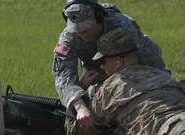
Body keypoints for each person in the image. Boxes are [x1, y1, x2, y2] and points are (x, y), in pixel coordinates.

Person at [52, 0, 168, 129]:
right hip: (97, 81)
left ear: (98, 16)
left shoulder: (121, 25)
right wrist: (80, 106)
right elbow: (63, 77)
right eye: (77, 28)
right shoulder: (68, 37)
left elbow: (148, 59)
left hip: (132, 75)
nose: (82, 33)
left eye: (86, 26)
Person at [73, 28, 185, 135]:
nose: (102, 67)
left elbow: (80, 129)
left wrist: (80, 89)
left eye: (103, 61)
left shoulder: (112, 86)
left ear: (118, 61)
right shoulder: (162, 75)